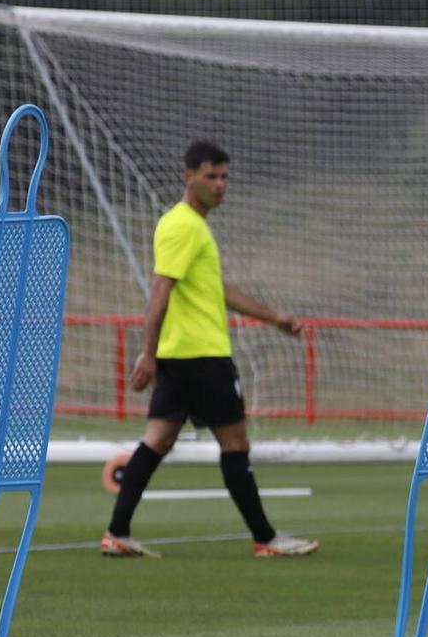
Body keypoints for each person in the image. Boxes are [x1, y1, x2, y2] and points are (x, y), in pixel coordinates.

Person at [99, 139, 319, 559]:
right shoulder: (183, 225)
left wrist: (273, 318)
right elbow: (159, 290)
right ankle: (267, 538)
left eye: (224, 177)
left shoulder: (192, 226)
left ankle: (117, 532)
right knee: (235, 445)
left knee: (157, 440)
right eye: (211, 176)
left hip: (181, 357)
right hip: (202, 357)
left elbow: (215, 290)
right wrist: (147, 352)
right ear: (189, 177)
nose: (220, 185)